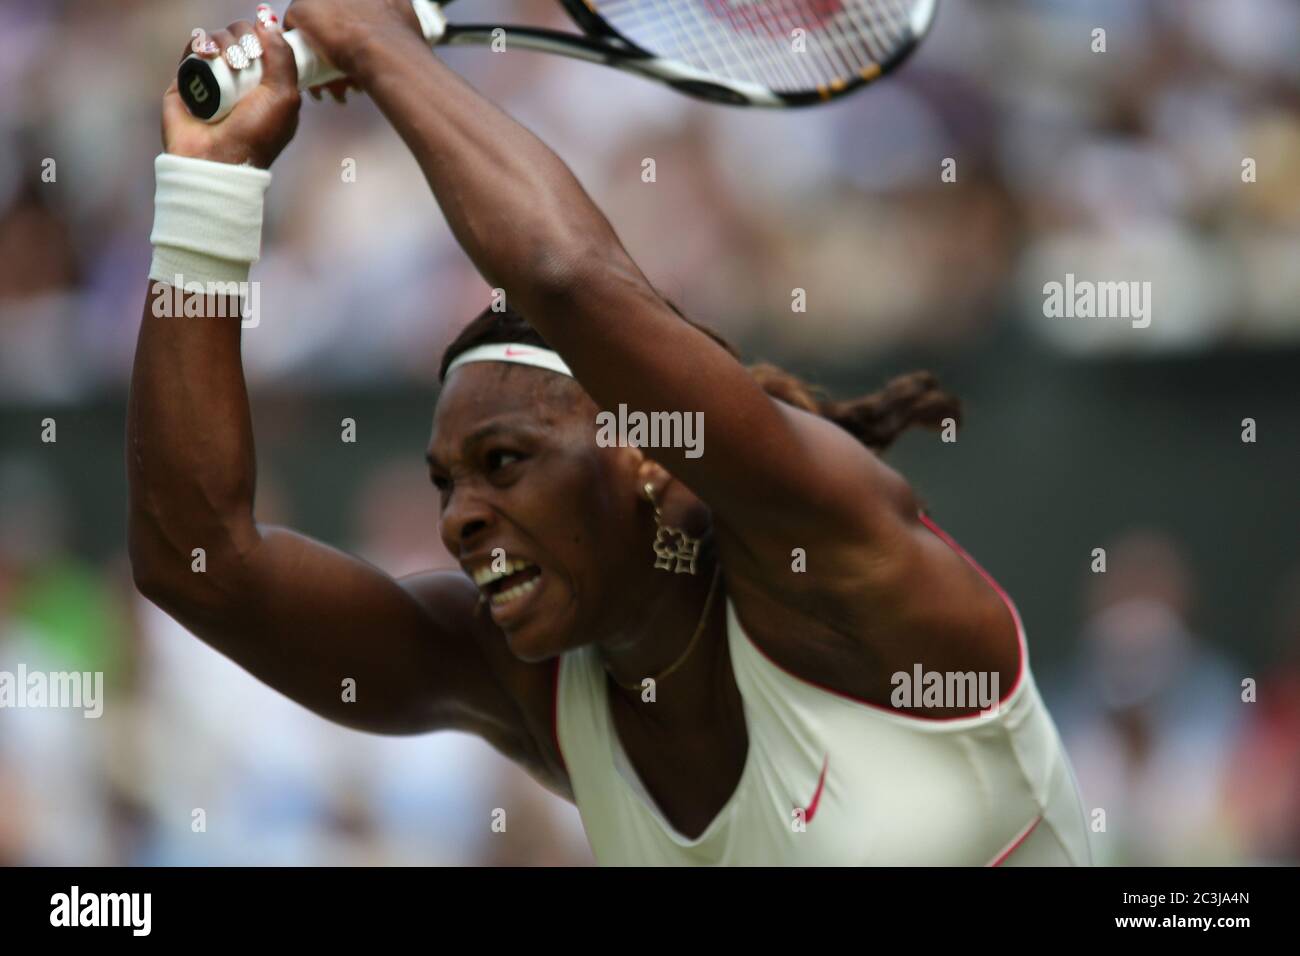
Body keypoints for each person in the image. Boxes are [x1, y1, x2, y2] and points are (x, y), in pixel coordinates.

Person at [128, 0, 1091, 865]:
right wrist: (208, 190)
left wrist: (376, 43)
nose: (460, 519)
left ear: (651, 456)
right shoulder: (523, 676)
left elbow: (564, 274)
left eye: (503, 462)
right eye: (447, 484)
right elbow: (196, 561)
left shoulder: (833, 556)